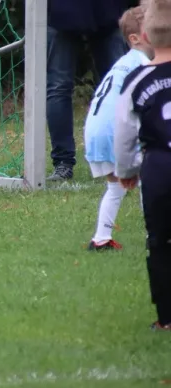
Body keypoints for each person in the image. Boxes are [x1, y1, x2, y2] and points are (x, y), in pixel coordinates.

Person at [114, 0, 171, 330]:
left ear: (145, 35)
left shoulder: (136, 80)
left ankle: (166, 317)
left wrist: (126, 170)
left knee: (161, 241)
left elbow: (123, 133)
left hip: (160, 167)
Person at [84, 5, 153, 251]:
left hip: (96, 132)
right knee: (151, 181)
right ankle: (155, 235)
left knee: (116, 186)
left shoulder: (125, 63)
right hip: (114, 133)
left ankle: (101, 239)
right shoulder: (143, 65)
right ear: (134, 38)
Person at [46, 0, 133, 181]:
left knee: (122, 85)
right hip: (60, 12)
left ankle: (126, 157)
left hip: (106, 11)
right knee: (58, 87)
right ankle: (63, 163)